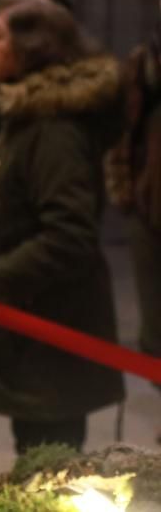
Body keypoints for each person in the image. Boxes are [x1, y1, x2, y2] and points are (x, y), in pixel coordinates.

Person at [0, 0, 125, 454]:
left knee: (51, 458)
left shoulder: (52, 129)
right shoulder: (21, 113)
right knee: (34, 450)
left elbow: (69, 234)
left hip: (52, 326)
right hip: (26, 321)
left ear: (32, 49)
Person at [104, 34, 161, 443]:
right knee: (153, 311)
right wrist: (124, 187)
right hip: (149, 204)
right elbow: (123, 132)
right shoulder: (142, 66)